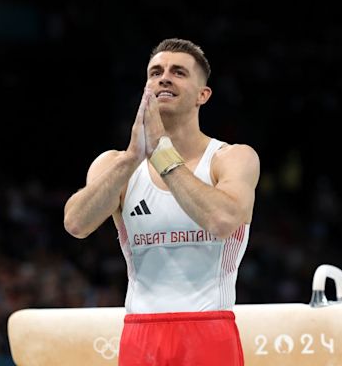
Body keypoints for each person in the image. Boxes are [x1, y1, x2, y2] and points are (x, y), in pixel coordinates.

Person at [64, 38, 260, 366]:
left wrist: (163, 154)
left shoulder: (231, 158)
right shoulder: (116, 164)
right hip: (140, 335)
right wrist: (132, 158)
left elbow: (223, 221)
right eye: (155, 72)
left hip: (208, 329)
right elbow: (76, 224)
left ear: (203, 95)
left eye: (178, 72)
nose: (164, 77)